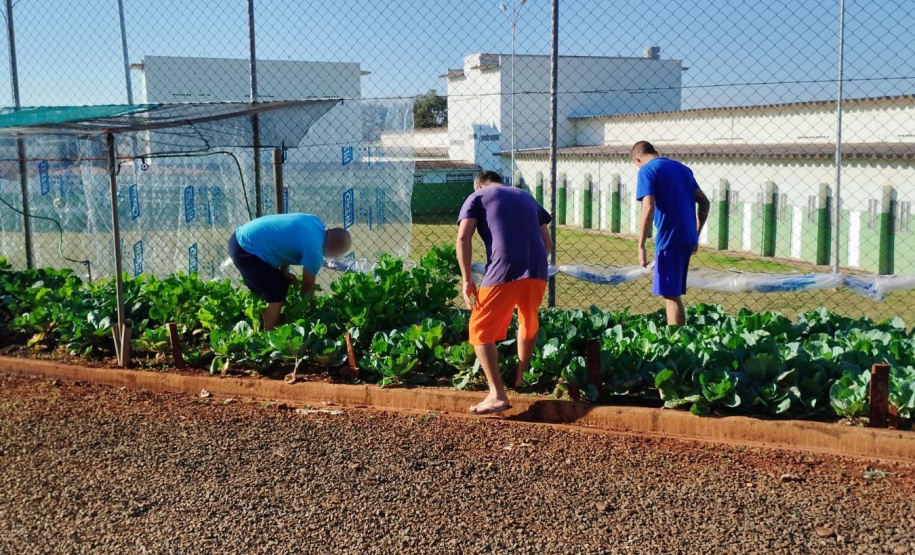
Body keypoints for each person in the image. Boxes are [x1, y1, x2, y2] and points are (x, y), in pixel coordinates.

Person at [456, 170, 552, 415]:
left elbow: (463, 238)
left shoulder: (477, 196)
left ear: (479, 185)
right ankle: (522, 378)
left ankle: (497, 395)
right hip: (538, 268)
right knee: (527, 320)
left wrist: (467, 279)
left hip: (504, 267)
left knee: (480, 330)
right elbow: (548, 245)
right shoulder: (527, 196)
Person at [228, 213, 351, 330]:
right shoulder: (315, 251)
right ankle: (267, 339)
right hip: (246, 248)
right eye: (339, 253)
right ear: (336, 245)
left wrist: (284, 273)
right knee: (274, 296)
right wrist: (314, 311)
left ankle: (275, 325)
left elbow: (286, 239)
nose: (336, 256)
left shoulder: (315, 222)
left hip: (246, 238)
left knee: (282, 283)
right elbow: (307, 287)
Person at [632, 141, 710, 326]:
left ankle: (676, 345)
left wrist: (641, 245)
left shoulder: (647, 170)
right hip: (687, 237)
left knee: (670, 295)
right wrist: (696, 234)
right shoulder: (683, 169)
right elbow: (705, 202)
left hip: (669, 238)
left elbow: (648, 206)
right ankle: (679, 339)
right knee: (673, 293)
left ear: (637, 159)